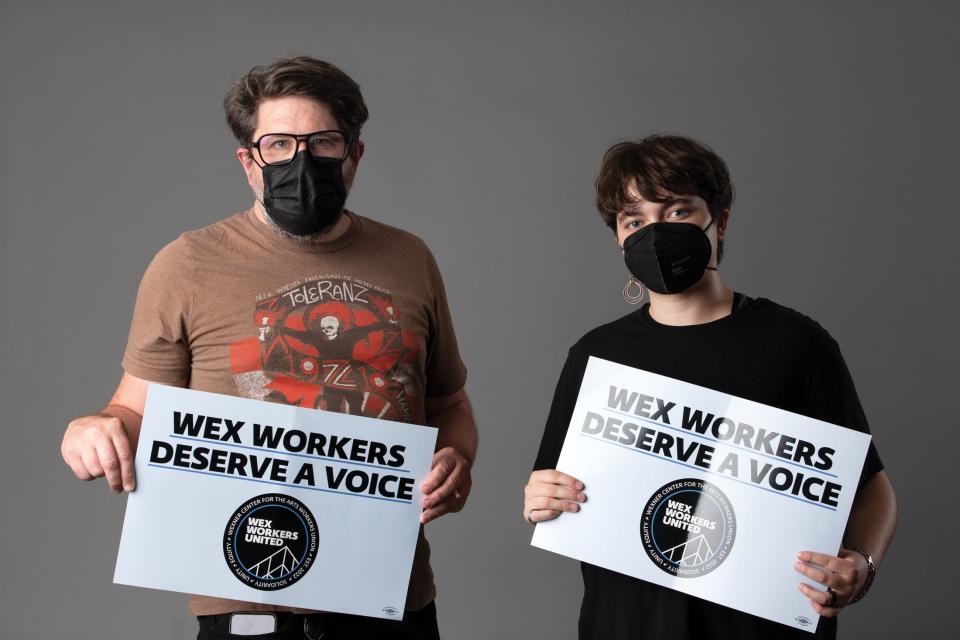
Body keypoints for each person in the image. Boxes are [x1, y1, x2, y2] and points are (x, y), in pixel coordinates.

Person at [60, 56, 477, 640]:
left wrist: (456, 461)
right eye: (278, 145)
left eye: (323, 143)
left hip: (391, 602)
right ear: (248, 162)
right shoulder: (186, 264)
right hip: (247, 606)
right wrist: (94, 428)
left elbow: (449, 404)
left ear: (354, 155)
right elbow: (132, 410)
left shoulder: (410, 258)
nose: (300, 162)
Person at [523, 135, 896, 640]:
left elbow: (872, 487)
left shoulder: (795, 343)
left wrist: (863, 564)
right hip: (630, 624)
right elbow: (552, 488)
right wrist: (540, 498)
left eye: (678, 212)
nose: (655, 234)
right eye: (634, 221)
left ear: (719, 221)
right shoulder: (596, 355)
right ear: (617, 237)